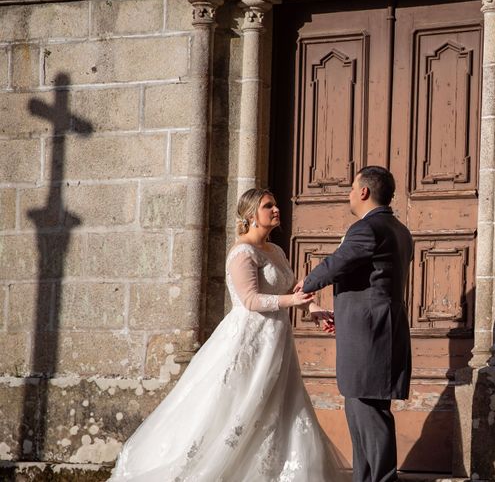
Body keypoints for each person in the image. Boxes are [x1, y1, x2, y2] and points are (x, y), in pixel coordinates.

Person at [108, 188, 344, 481]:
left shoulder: (278, 251)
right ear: (250, 215)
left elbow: (289, 290)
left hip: (278, 340)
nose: (276, 210)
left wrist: (315, 310)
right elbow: (251, 301)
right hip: (250, 339)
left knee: (281, 405)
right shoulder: (242, 252)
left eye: (275, 204)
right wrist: (292, 302)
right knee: (239, 404)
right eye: (268, 206)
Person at [300, 166, 413, 482]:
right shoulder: (399, 229)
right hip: (378, 330)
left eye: (351, 188)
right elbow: (373, 280)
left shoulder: (367, 229)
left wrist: (307, 284)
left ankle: (382, 479)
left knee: (368, 414)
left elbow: (338, 263)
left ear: (363, 191)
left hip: (370, 335)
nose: (349, 194)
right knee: (361, 410)